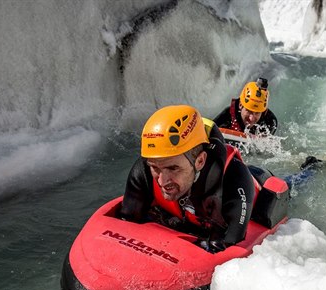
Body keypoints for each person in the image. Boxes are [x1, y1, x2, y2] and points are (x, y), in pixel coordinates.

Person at [119, 105, 256, 253]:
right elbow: (125, 226)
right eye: (156, 168)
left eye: (173, 168)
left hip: (256, 191)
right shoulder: (143, 170)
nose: (162, 182)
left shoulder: (235, 179)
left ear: (200, 161)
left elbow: (229, 252)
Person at [214, 77, 278, 136]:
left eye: (257, 113)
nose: (251, 118)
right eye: (249, 111)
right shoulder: (227, 116)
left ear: (264, 111)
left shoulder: (270, 122)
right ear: (240, 105)